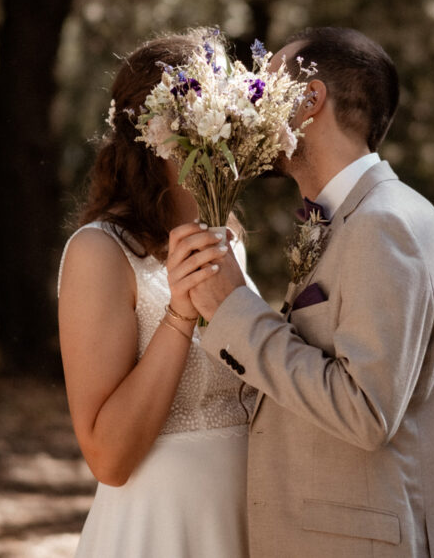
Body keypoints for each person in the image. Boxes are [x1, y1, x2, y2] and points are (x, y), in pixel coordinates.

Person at [168, 27, 434, 557]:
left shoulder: (385, 226)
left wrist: (234, 309)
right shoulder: (351, 220)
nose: (248, 109)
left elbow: (365, 411)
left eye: (264, 89)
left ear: (309, 100)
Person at [56, 32, 256, 557]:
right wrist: (178, 315)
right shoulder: (99, 252)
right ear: (154, 131)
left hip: (252, 517)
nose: (231, 128)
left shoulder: (230, 235)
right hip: (161, 528)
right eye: (213, 111)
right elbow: (107, 459)